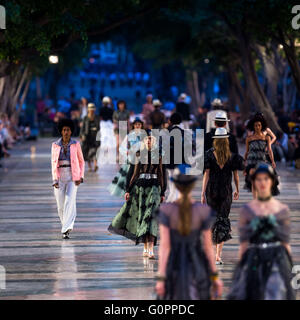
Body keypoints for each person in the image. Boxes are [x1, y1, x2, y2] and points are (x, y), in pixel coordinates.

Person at [227, 163, 295, 300]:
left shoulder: (282, 210)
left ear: (272, 181)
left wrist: (291, 270)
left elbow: (285, 243)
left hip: (277, 260)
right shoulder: (247, 211)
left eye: (266, 179)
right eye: (259, 179)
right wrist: (240, 273)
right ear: (253, 182)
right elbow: (243, 246)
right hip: (254, 259)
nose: (262, 182)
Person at [155, 165, 223, 300]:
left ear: (176, 185)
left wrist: (161, 278)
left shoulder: (167, 211)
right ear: (193, 185)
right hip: (197, 263)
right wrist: (215, 276)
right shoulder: (202, 211)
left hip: (174, 264)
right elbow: (208, 247)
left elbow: (165, 247)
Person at [108, 132, 167, 259]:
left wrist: (163, 191)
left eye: (151, 139)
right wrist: (128, 190)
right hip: (140, 188)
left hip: (154, 188)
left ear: (155, 142)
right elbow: (132, 173)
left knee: (151, 218)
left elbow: (162, 174)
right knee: (142, 217)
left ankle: (151, 249)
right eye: (147, 139)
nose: (149, 141)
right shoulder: (138, 155)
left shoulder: (159, 156)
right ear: (144, 142)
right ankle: (145, 247)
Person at [202, 128, 244, 264]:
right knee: (223, 219)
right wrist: (237, 189)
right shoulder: (232, 156)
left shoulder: (209, 155)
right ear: (226, 140)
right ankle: (218, 255)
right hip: (226, 191)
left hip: (212, 191)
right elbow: (236, 176)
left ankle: (211, 252)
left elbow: (206, 175)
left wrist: (202, 193)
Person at [51, 119, 85, 239]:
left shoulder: (76, 144)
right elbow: (53, 163)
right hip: (60, 176)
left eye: (68, 130)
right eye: (64, 130)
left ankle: (66, 228)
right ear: (61, 131)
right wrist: (54, 179)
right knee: (60, 205)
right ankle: (65, 226)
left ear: (71, 131)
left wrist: (81, 176)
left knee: (69, 201)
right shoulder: (55, 145)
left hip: (72, 175)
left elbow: (81, 161)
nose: (66, 132)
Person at [244, 113, 279, 198]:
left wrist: (273, 161)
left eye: (259, 125)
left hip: (262, 162)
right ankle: (255, 201)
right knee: (253, 182)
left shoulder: (267, 138)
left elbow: (270, 151)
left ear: (262, 126)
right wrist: (245, 164)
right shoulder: (249, 138)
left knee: (263, 181)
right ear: (253, 126)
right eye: (255, 125)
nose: (257, 127)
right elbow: (247, 152)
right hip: (252, 162)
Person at [108, 117, 143, 197]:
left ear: (141, 126)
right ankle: (128, 191)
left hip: (141, 159)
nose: (137, 126)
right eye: (136, 124)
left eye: (139, 124)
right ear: (133, 126)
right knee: (129, 176)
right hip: (131, 159)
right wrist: (127, 152)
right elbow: (122, 148)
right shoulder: (129, 136)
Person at [80, 103, 100, 172]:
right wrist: (81, 135)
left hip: (94, 136)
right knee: (87, 152)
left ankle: (95, 165)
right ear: (88, 110)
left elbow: (99, 128)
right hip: (87, 137)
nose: (91, 111)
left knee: (94, 151)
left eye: (93, 109)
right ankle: (90, 167)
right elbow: (82, 128)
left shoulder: (97, 117)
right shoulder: (85, 118)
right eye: (90, 109)